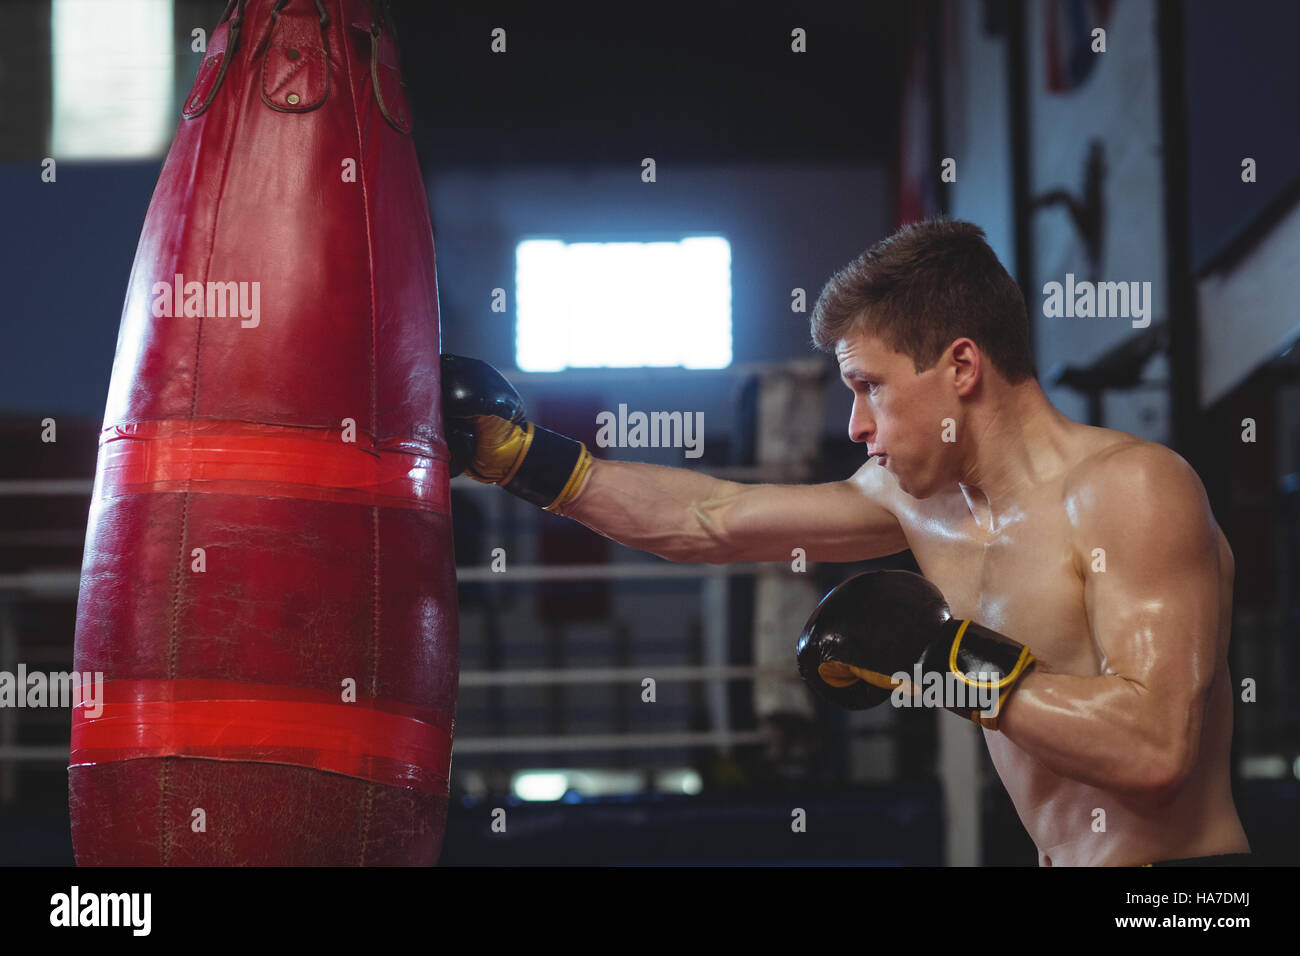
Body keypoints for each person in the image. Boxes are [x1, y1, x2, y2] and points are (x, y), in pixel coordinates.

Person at [442, 218, 1251, 867]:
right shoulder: (917, 503)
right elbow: (711, 520)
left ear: (961, 365)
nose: (857, 424)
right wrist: (524, 459)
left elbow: (1155, 749)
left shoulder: (1133, 488)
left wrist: (943, 661)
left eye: (870, 386)